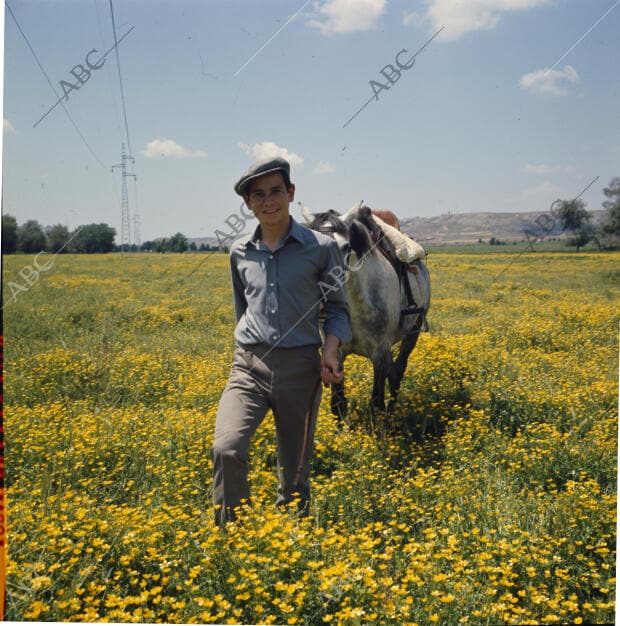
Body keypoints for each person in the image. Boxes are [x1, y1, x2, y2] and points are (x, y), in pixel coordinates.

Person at [211, 156, 352, 526]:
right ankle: (232, 535)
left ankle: (291, 543)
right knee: (226, 448)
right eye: (258, 194)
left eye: (276, 191)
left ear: (291, 193)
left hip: (300, 369)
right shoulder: (239, 251)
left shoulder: (321, 248)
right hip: (249, 366)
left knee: (294, 474)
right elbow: (241, 309)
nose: (268, 200)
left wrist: (330, 351)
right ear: (248, 204)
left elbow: (337, 309)